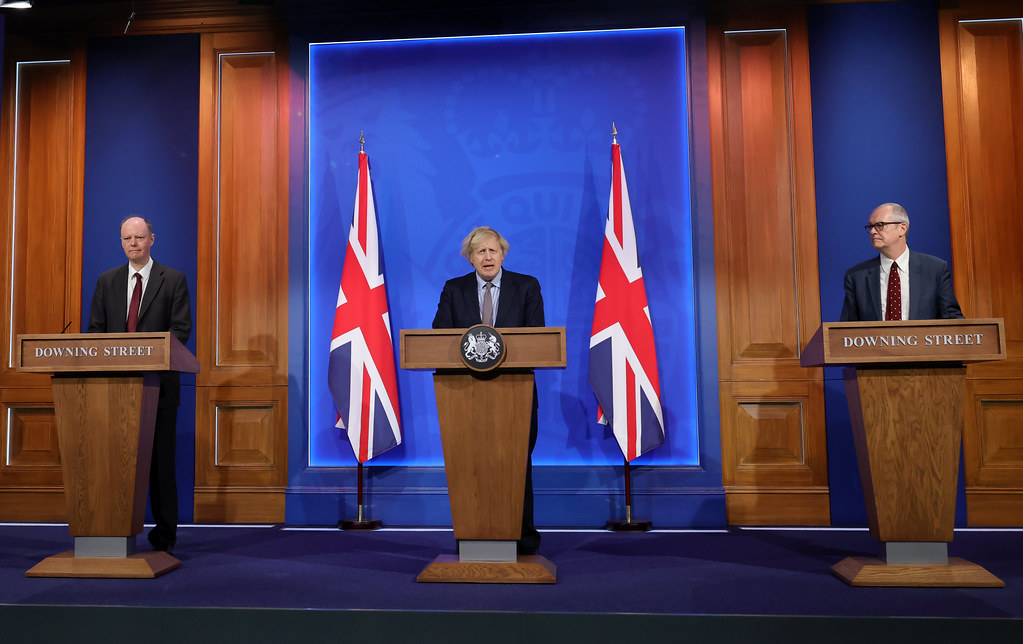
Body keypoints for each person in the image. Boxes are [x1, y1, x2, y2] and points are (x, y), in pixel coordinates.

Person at [432, 226, 544, 555]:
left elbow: (537, 339)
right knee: (470, 467)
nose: (488, 257)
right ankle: (473, 536)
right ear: (469, 259)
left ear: (503, 254)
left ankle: (522, 539)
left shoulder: (526, 287)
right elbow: (439, 339)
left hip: (516, 397)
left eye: (493, 250)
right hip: (465, 398)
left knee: (516, 467)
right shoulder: (455, 290)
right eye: (480, 252)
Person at [87, 216, 192, 554]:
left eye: (139, 237)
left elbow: (180, 332)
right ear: (121, 242)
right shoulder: (107, 282)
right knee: (115, 465)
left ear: (152, 240)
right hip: (113, 392)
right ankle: (114, 532)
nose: (133, 243)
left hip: (157, 390)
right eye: (127, 238)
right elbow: (95, 334)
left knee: (161, 467)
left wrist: (144, 356)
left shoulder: (173, 280)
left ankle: (164, 539)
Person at [840, 202, 964, 322]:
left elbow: (952, 320)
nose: (872, 231)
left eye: (880, 225)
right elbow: (846, 331)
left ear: (902, 228)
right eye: (870, 226)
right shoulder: (857, 276)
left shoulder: (935, 269)